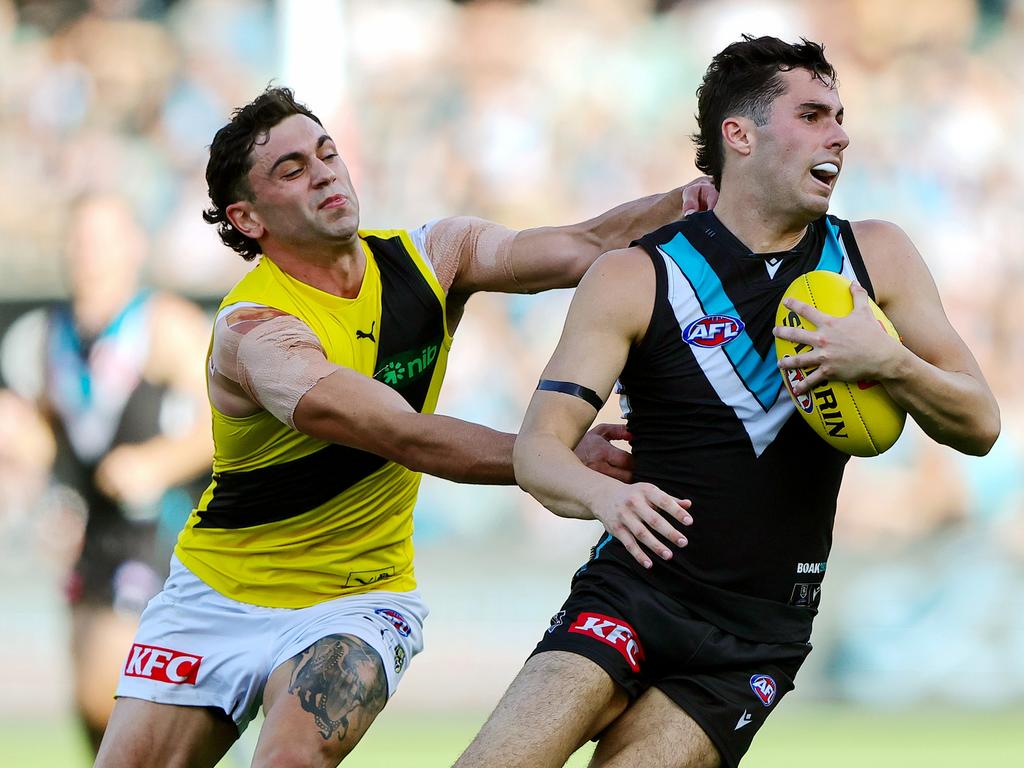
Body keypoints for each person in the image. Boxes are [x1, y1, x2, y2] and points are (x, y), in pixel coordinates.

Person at [93, 86, 719, 768]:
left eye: (326, 153)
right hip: (215, 596)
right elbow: (403, 436)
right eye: (293, 169)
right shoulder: (255, 331)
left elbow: (587, 244)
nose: (325, 171)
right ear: (247, 218)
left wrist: (693, 199)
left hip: (356, 602)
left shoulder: (435, 257)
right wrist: (553, 456)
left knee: (288, 761)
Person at [455, 35, 1001, 768]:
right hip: (636, 593)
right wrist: (603, 499)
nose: (839, 133)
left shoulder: (875, 257)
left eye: (840, 116)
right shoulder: (636, 275)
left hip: (759, 631)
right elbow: (538, 449)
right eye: (812, 114)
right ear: (738, 136)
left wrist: (888, 361)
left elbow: (981, 423)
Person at [0, 192, 213, 753]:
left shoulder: (163, 325)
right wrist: (25, 441)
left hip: (158, 529)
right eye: (79, 240)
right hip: (93, 532)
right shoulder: (52, 336)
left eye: (102, 240)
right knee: (89, 701)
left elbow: (226, 422)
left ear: (132, 247)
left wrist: (156, 463)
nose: (88, 254)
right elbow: (57, 438)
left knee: (113, 684)